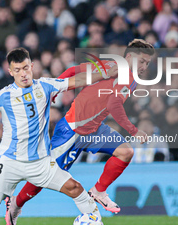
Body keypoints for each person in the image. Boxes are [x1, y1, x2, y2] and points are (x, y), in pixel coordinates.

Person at [0, 47, 117, 225]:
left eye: (25, 68)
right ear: (10, 72)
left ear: (32, 66)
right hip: (10, 162)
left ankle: (93, 221)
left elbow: (78, 80)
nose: (23, 73)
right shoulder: (3, 95)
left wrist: (106, 73)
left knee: (76, 189)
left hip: (41, 163)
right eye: (17, 70)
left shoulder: (45, 86)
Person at [8, 39, 153, 219]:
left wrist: (56, 88)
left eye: (147, 63)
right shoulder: (121, 73)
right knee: (44, 176)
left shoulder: (112, 67)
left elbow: (72, 71)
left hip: (94, 129)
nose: (144, 67)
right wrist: (134, 130)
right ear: (129, 57)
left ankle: (99, 191)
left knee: (126, 152)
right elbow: (114, 104)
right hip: (72, 130)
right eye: (142, 61)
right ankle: (16, 203)